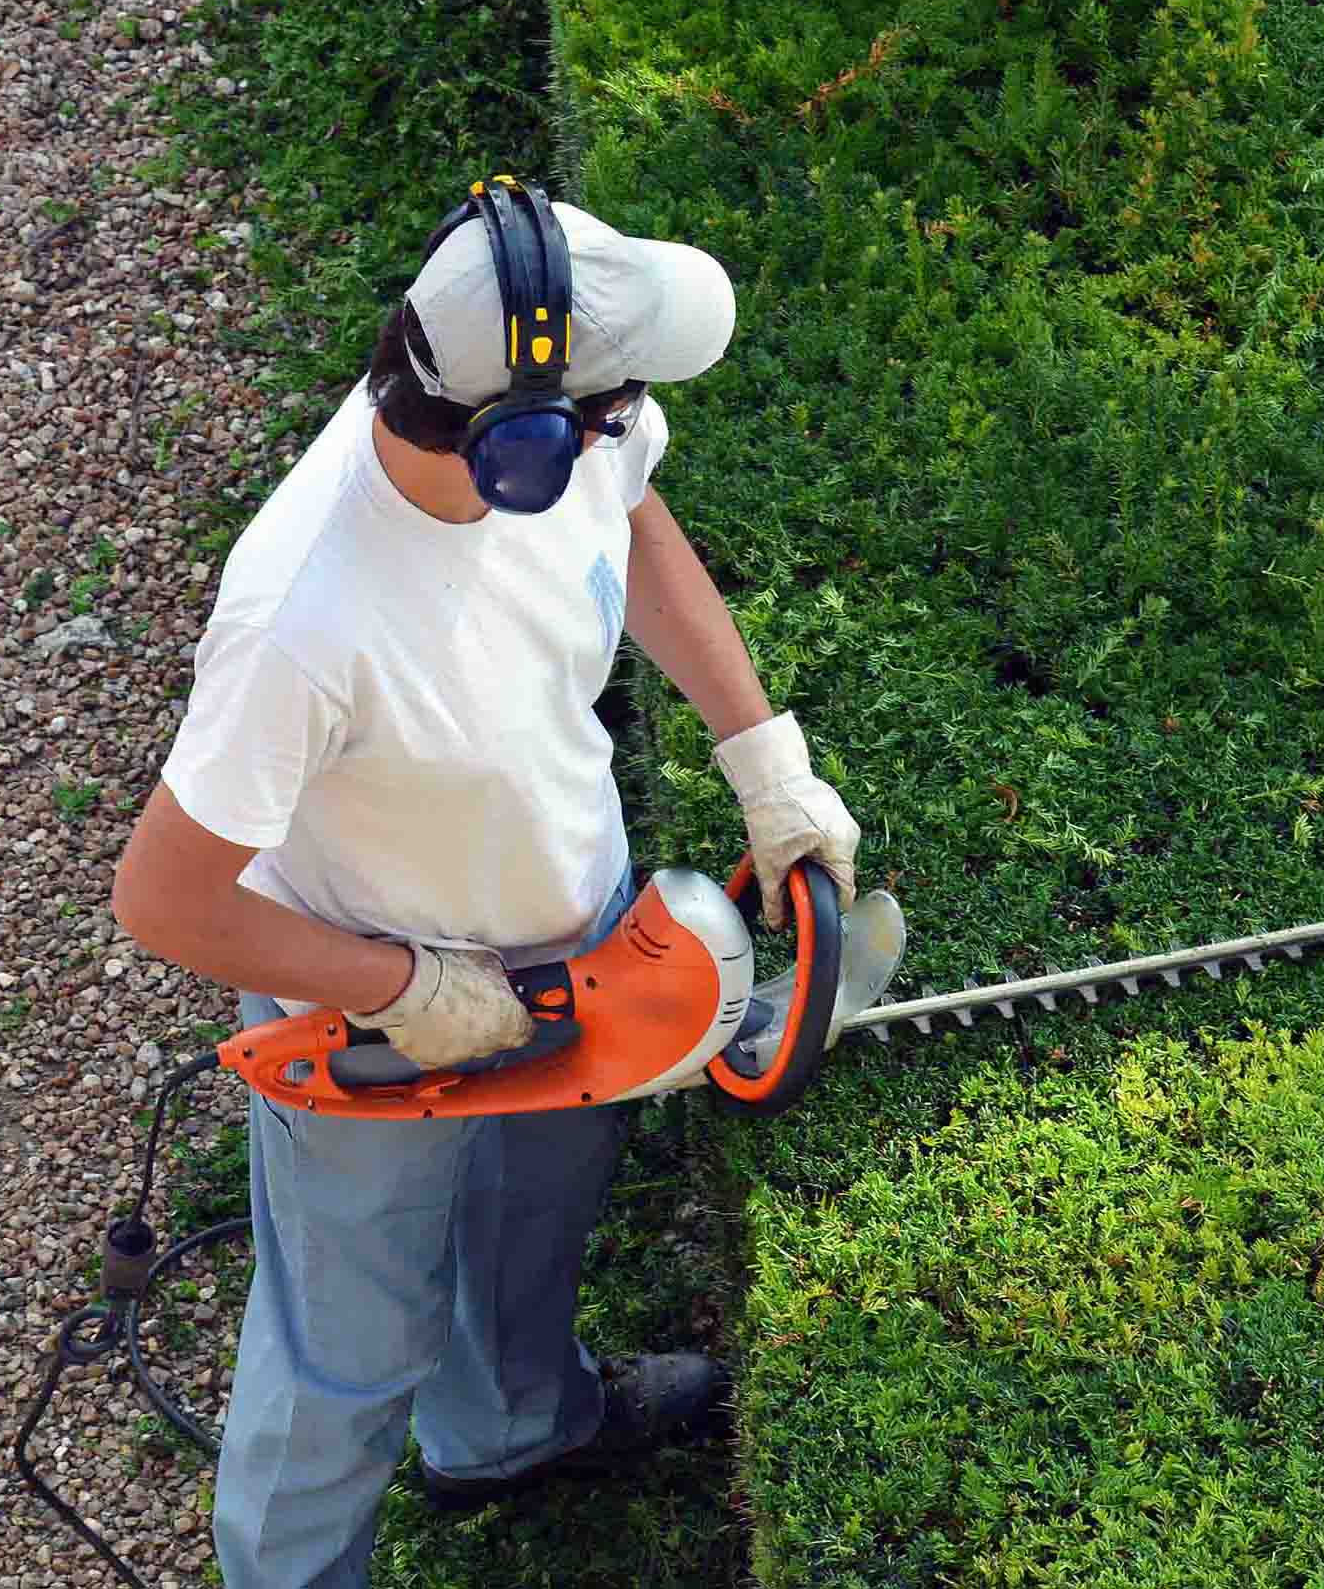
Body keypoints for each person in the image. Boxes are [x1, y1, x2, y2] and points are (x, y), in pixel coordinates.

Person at [110, 180, 862, 1589]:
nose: (625, 423)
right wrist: (408, 991)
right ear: (520, 437)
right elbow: (161, 899)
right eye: (609, 404)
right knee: (348, 1350)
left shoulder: (555, 435)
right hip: (377, 1017)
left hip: (568, 939)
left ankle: (506, 1433)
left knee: (529, 1229)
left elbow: (637, 523)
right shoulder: (305, 622)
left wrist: (764, 760)